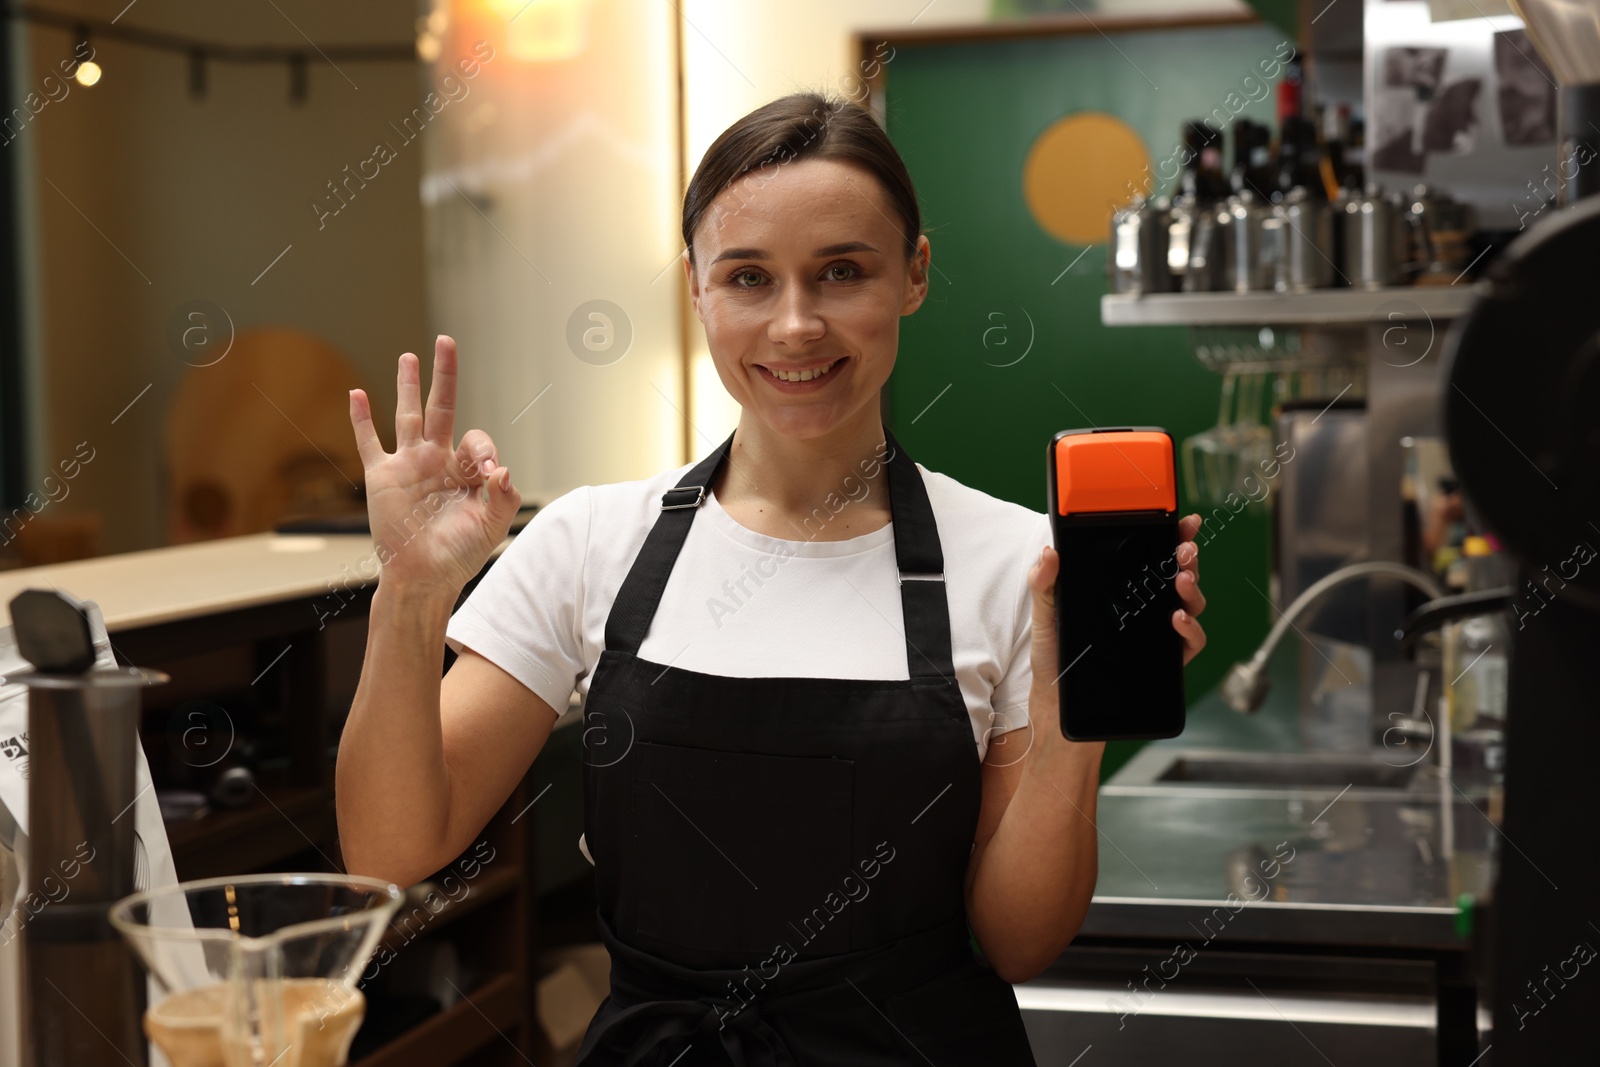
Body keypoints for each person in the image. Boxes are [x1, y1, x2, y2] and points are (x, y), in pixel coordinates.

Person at [337, 91, 1208, 1066]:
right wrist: (409, 594)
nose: (796, 324)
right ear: (695, 288)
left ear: (914, 274)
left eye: (842, 271)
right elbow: (390, 848)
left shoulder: (1018, 561)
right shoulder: (589, 539)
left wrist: (1067, 715)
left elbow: (1018, 939)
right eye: (749, 277)